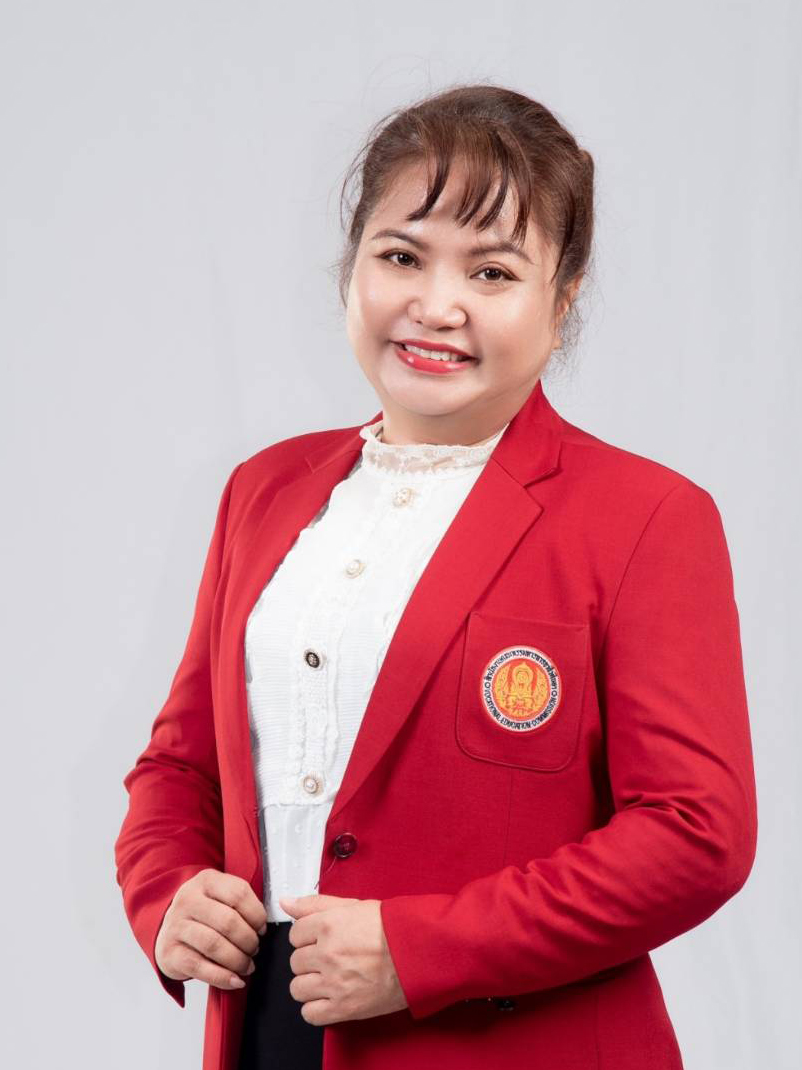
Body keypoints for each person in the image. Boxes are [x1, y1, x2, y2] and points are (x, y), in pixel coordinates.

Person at [114, 83, 758, 1070]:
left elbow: (694, 833)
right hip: (268, 1032)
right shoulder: (264, 490)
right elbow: (180, 765)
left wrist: (420, 949)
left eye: (492, 271)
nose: (436, 305)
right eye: (401, 256)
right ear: (353, 267)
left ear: (561, 300)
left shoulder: (645, 517)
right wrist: (166, 894)